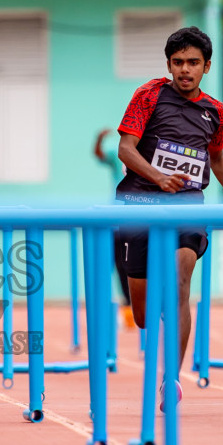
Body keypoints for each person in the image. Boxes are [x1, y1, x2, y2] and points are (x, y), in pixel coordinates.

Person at [114, 27, 223, 405]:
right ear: (169, 65)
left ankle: (171, 378)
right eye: (177, 63)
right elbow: (126, 148)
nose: (184, 70)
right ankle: (151, 311)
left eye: (192, 63)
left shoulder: (216, 111)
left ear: (206, 66)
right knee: (141, 315)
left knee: (180, 284)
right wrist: (158, 177)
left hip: (187, 203)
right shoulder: (149, 94)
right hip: (139, 201)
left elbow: (216, 157)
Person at [92, 128, 131, 319]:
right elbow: (99, 155)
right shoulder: (119, 155)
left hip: (139, 219)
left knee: (134, 262)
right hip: (116, 219)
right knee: (117, 264)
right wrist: (98, 139)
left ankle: (137, 305)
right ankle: (122, 306)